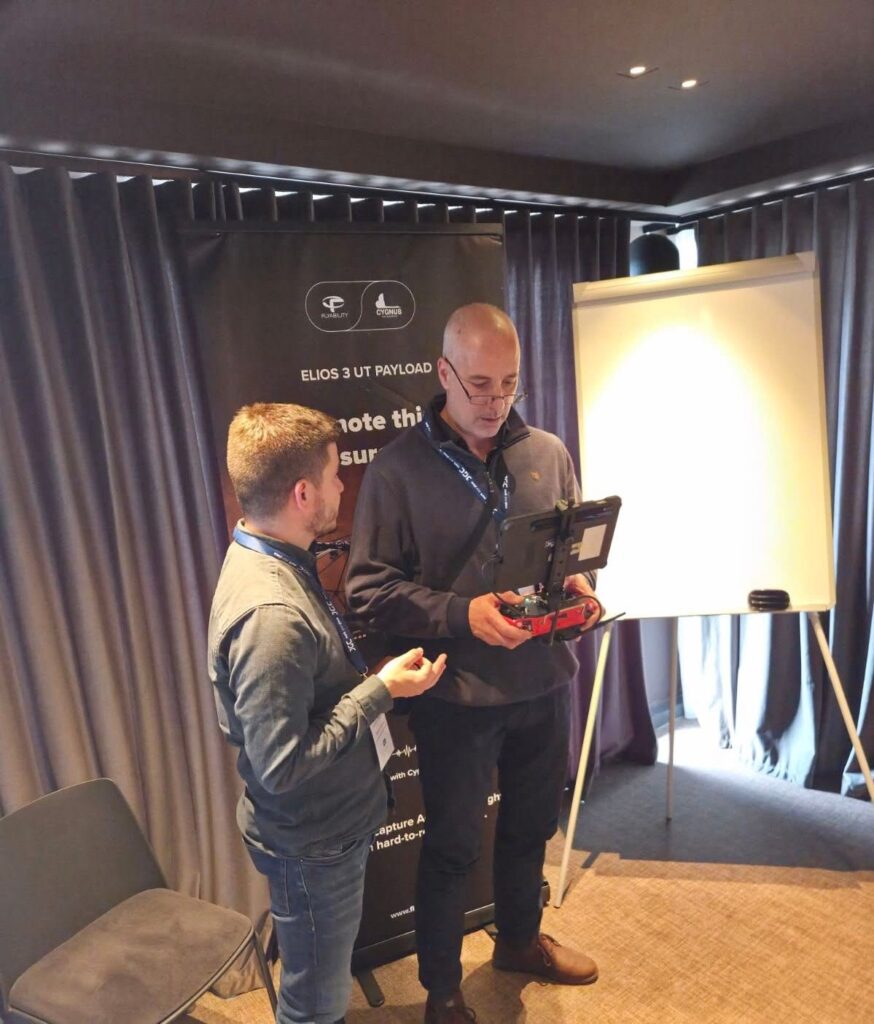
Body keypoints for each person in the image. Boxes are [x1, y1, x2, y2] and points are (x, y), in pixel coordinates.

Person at [346, 304, 601, 1024]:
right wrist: (462, 614)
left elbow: (567, 552)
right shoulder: (398, 469)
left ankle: (518, 941)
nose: (495, 402)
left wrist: (579, 585)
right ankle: (442, 990)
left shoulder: (547, 452)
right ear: (444, 373)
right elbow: (367, 590)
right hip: (455, 696)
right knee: (453, 846)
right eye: (480, 384)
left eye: (509, 384)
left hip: (543, 681)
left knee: (532, 827)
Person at [208, 402, 447, 1024]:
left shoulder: (274, 552)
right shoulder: (271, 616)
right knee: (315, 1003)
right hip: (313, 843)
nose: (343, 487)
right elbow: (282, 766)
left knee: (321, 983)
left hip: (323, 828)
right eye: (336, 476)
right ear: (303, 493)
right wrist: (379, 691)